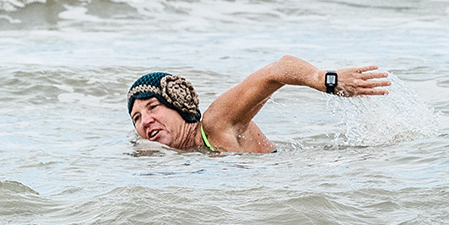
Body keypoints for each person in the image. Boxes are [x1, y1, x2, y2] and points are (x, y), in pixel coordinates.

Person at [126, 55, 391, 153]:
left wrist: (325, 80)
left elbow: (277, 69)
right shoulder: (179, 155)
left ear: (179, 106)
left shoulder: (215, 124)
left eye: (152, 107)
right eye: (136, 118)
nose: (145, 121)